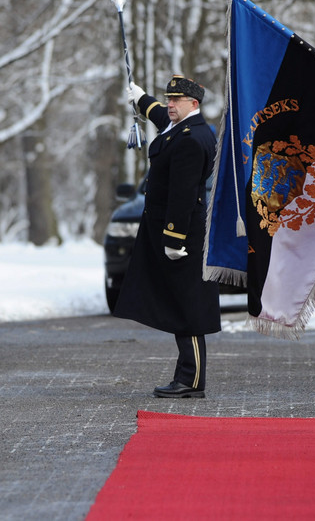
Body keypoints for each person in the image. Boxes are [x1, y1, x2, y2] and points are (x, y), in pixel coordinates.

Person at [113, 75, 220, 398]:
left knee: (189, 307)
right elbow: (161, 117)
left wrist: (174, 239)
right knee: (178, 302)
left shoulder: (190, 138)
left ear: (194, 104)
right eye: (168, 99)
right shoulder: (182, 127)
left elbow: (182, 195)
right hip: (173, 231)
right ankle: (188, 376)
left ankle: (191, 379)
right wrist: (142, 98)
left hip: (183, 236)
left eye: (177, 101)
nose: (170, 105)